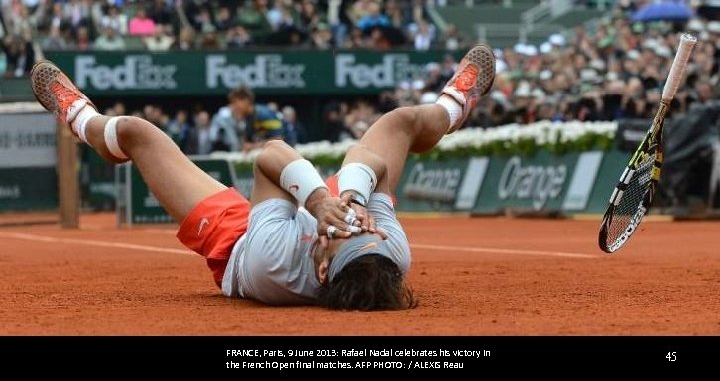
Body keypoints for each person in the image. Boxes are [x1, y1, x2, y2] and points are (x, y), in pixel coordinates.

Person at [29, 44, 495, 310]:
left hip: (242, 239)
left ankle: (79, 117)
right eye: (361, 227)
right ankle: (455, 107)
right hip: (320, 212)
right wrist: (350, 198)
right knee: (401, 122)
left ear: (321, 267)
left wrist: (316, 203)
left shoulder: (272, 265)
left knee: (135, 132)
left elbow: (271, 157)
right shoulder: (386, 250)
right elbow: (371, 158)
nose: (352, 224)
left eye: (339, 235)